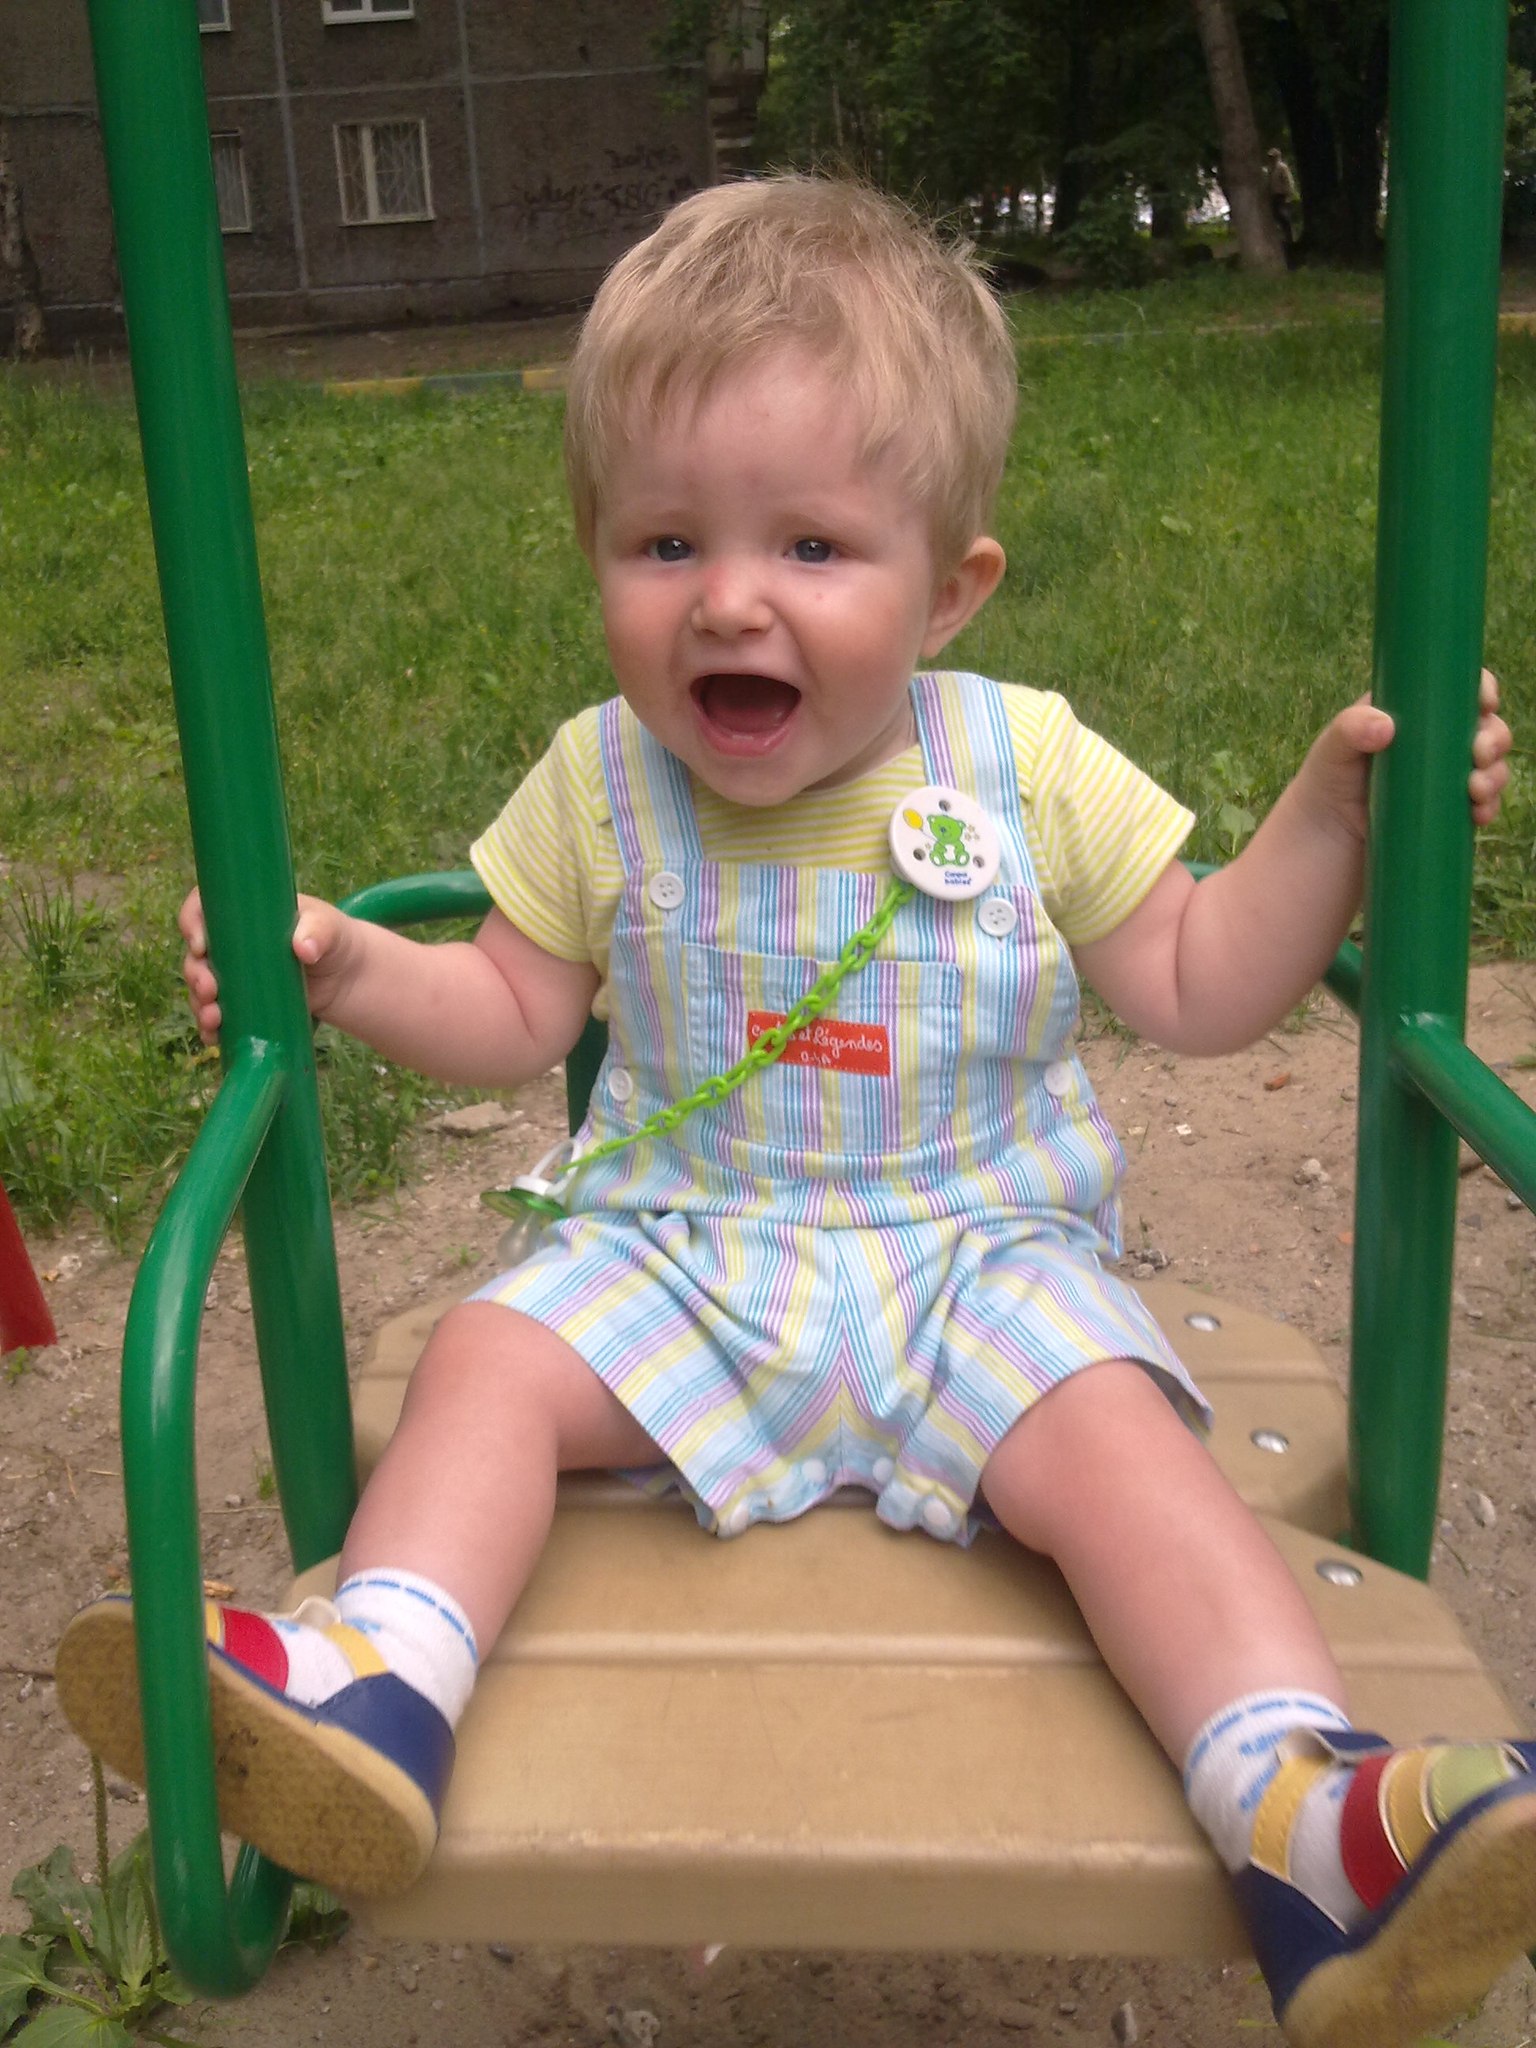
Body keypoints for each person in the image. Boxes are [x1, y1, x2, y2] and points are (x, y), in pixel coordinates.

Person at [57, 176, 1529, 2048]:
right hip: (685, 1252)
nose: (729, 598)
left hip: (984, 1261)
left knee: (1128, 1453)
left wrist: (1331, 825)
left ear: (950, 585)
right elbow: (514, 1010)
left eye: (813, 545)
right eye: (666, 540)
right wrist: (344, 966)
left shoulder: (1024, 762)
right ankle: (379, 1679)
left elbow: (1194, 979)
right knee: (492, 1357)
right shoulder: (603, 778)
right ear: (596, 552)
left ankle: (1302, 1813)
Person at [1267, 146, 1298, 248]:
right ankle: (1282, 238)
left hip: (1282, 195)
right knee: (1276, 216)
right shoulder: (1270, 169)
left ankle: (1290, 238)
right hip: (1274, 195)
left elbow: (1288, 181)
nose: (1271, 159)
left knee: (1284, 216)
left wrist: (1289, 194)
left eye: (1273, 157)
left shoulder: (1282, 167)